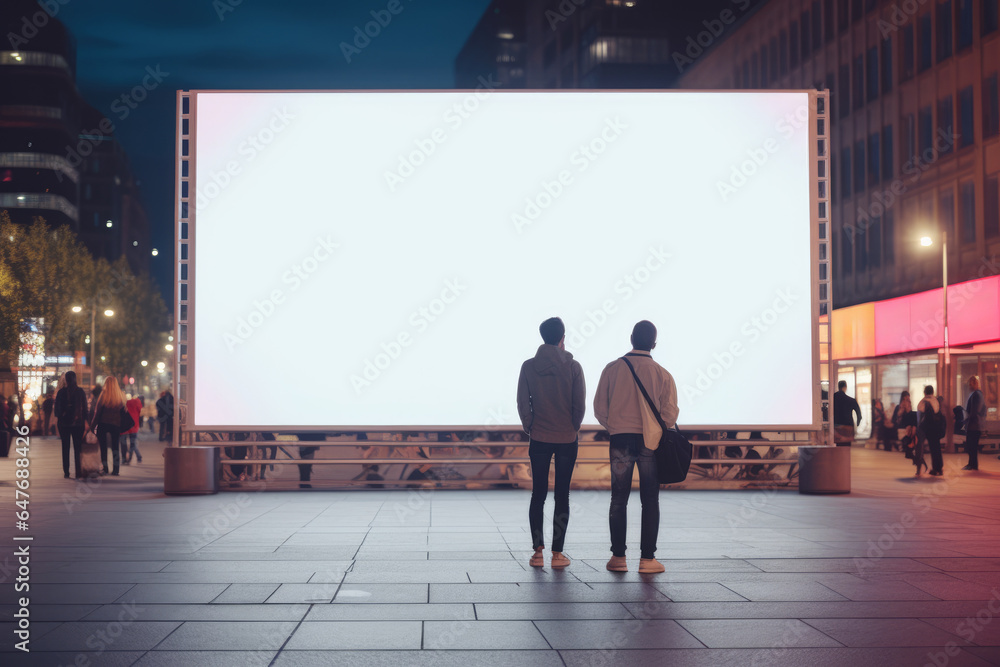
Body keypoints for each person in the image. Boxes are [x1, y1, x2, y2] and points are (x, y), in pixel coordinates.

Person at [594, 320, 678, 574]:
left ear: (631, 338)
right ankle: (647, 560)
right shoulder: (663, 374)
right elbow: (670, 414)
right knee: (649, 499)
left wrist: (616, 426)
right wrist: (654, 429)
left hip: (620, 439)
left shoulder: (612, 368)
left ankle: (618, 558)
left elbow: (600, 408)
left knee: (618, 498)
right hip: (649, 442)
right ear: (654, 343)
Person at [516, 316, 586, 569]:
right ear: (562, 338)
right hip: (567, 439)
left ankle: (537, 552)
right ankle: (558, 554)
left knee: (538, 494)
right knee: (562, 495)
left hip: (540, 438)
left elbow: (523, 403)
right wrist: (572, 427)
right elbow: (579, 406)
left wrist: (531, 427)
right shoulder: (573, 367)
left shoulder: (528, 366)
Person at [55, 371, 89, 479]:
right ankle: (78, 472)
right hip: (78, 423)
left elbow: (56, 411)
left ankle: (66, 472)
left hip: (64, 424)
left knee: (65, 447)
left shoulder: (61, 392)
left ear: (66, 380)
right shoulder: (80, 392)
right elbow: (85, 409)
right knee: (78, 448)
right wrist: (87, 421)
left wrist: (62, 415)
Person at [90, 377, 126, 476]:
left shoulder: (103, 395)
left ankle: (105, 468)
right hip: (116, 425)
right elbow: (124, 411)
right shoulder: (120, 395)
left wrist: (92, 426)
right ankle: (116, 469)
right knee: (115, 447)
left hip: (103, 423)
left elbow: (97, 412)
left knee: (103, 447)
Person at [916, 385, 942, 476]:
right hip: (936, 427)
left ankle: (931, 468)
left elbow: (919, 414)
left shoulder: (922, 402)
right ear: (932, 392)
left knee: (928, 448)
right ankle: (938, 468)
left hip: (927, 428)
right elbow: (937, 411)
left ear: (925, 392)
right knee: (936, 448)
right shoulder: (935, 401)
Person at [964, 376, 986, 471]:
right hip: (976, 424)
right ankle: (972, 464)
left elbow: (974, 410)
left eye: (970, 384)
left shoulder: (976, 395)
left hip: (974, 424)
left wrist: (968, 420)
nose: (969, 386)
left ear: (974, 384)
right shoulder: (977, 394)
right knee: (972, 445)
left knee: (971, 445)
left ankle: (972, 464)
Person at [833, 381, 862, 446]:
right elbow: (859, 413)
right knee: (847, 444)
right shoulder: (851, 400)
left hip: (836, 424)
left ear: (838, 387)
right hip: (848, 425)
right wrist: (858, 423)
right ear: (845, 387)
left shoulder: (832, 398)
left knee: (837, 444)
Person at [121, 395, 143, 464]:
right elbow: (139, 413)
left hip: (125, 425)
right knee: (132, 443)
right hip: (134, 425)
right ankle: (129, 458)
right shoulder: (138, 402)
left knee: (123, 443)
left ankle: (125, 459)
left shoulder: (125, 403)